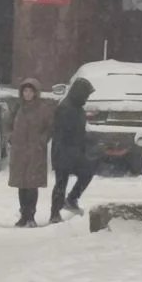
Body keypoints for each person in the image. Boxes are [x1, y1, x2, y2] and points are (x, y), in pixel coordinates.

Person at [7, 78, 55, 227]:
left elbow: (50, 127)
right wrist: (11, 137)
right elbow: (7, 124)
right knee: (21, 184)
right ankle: (23, 215)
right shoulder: (17, 108)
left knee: (32, 185)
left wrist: (42, 141)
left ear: (36, 93)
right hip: (19, 151)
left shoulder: (43, 109)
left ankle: (31, 216)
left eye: (30, 91)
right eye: (25, 91)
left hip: (35, 152)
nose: (27, 94)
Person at [50, 77, 96, 223]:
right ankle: (55, 213)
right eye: (86, 95)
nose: (87, 98)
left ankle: (71, 199)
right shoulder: (65, 108)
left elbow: (79, 132)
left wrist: (88, 141)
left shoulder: (78, 108)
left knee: (86, 173)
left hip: (75, 152)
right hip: (63, 152)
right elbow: (62, 133)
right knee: (61, 183)